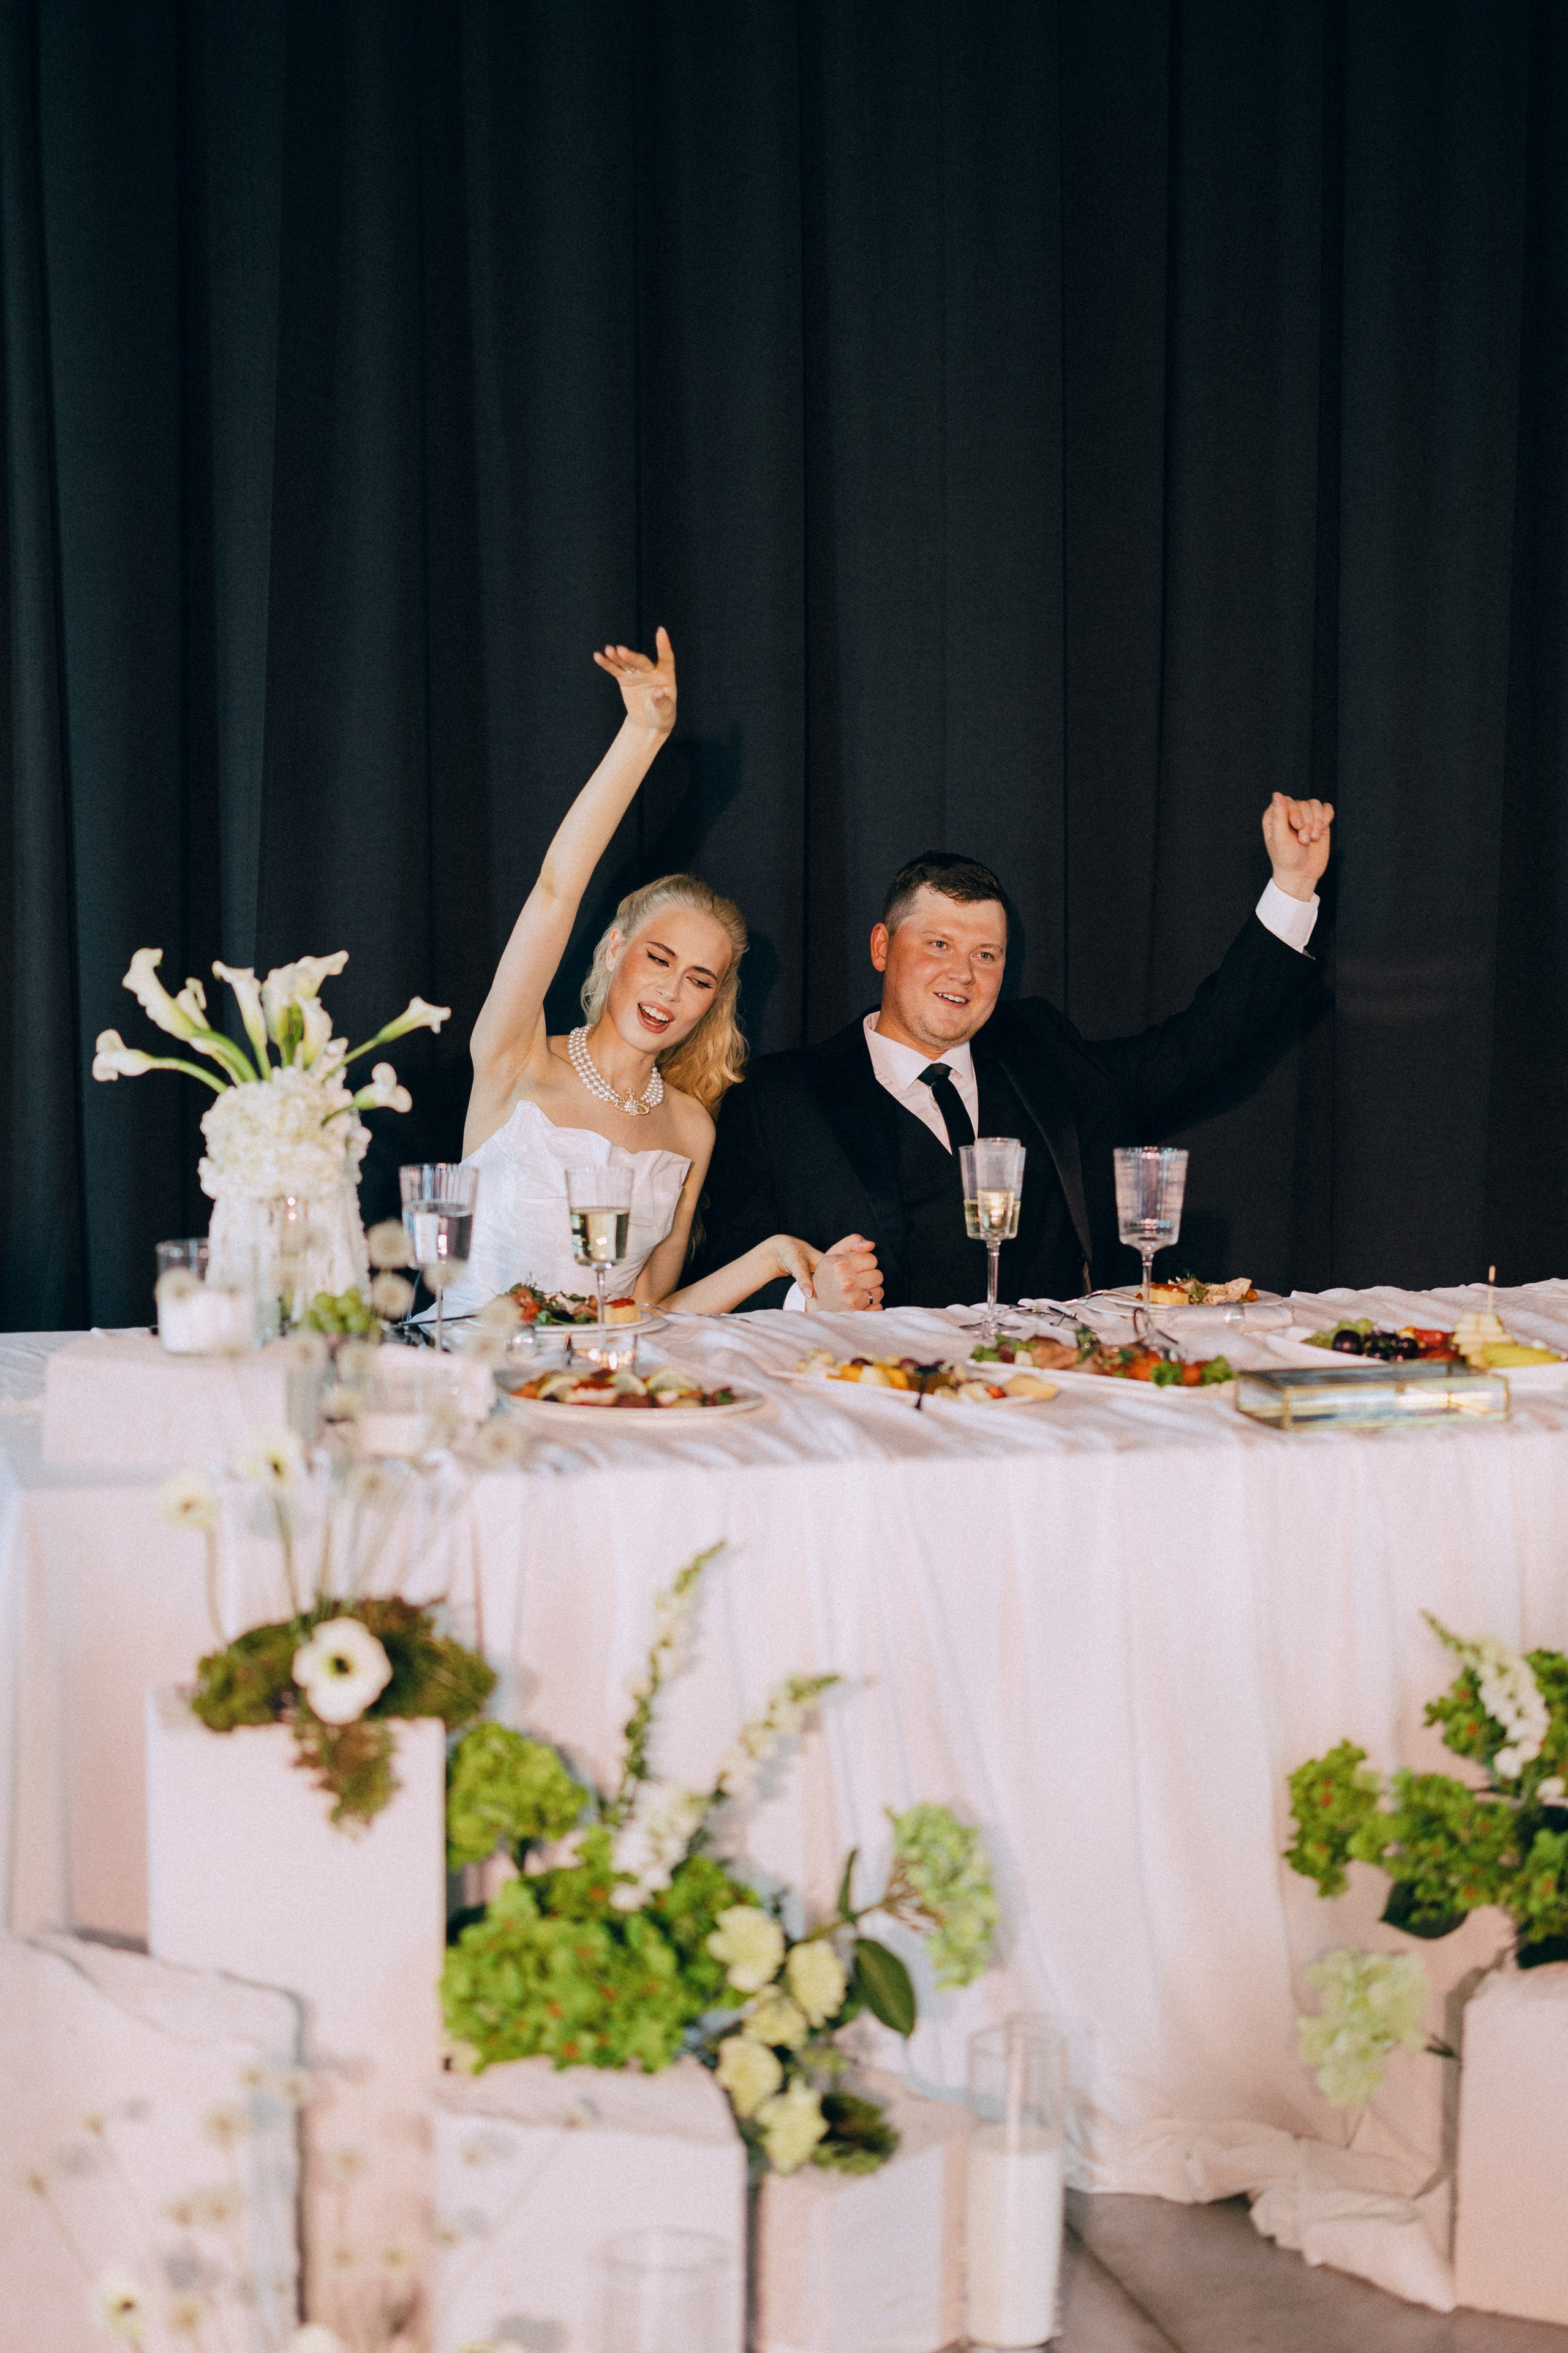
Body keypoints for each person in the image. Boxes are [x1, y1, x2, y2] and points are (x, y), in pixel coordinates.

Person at [691, 798, 1334, 1311]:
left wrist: (1292, 886)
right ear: (883, 947)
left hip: (1057, 1397)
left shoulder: (1041, 1052)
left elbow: (1199, 1049)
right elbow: (717, 1283)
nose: (963, 973)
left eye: (986, 955)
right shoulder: (778, 1097)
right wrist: (807, 1302)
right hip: (883, 1412)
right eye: (938, 944)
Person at [447, 629, 883, 1321]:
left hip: (596, 1389)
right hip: (468, 1386)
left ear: (712, 1003)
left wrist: (770, 1258)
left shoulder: (688, 1128)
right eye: (659, 959)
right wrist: (643, 734)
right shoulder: (514, 1058)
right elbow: (556, 889)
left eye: (700, 980)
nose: (672, 992)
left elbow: (649, 1311)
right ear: (616, 949)